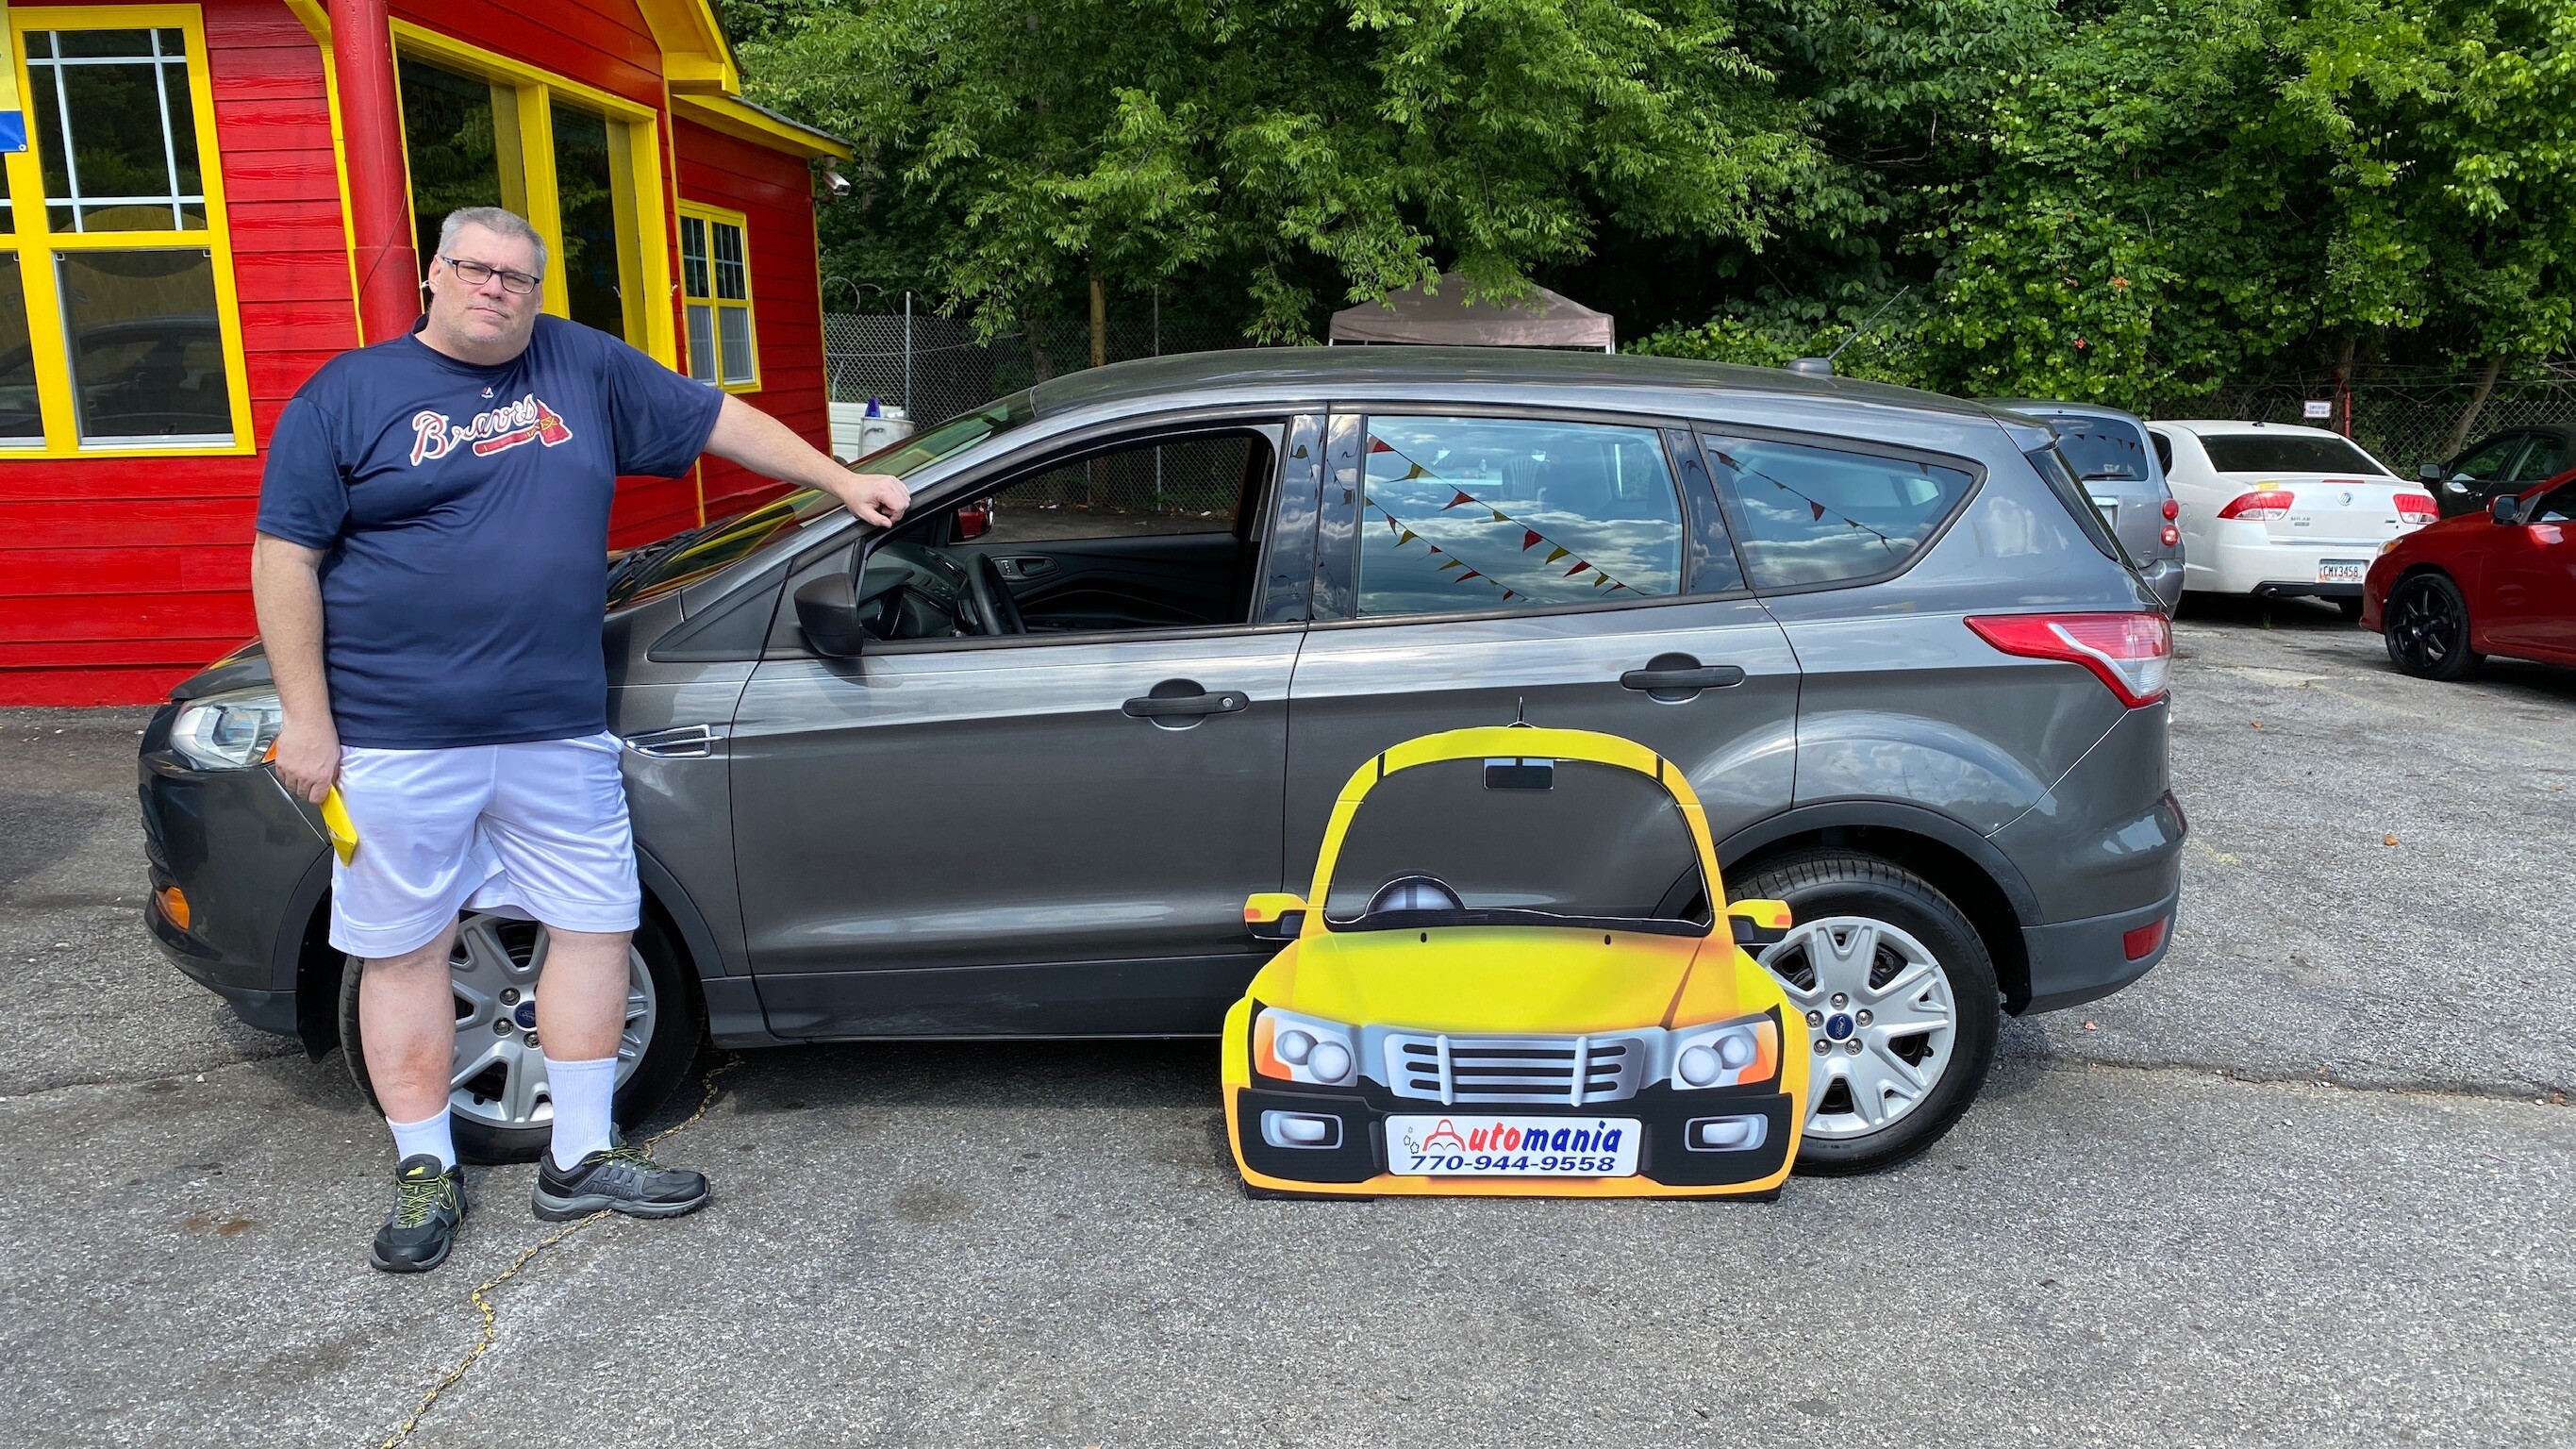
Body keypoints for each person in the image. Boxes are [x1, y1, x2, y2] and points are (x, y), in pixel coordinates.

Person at [251, 206, 906, 1274]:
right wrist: (308, 717)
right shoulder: (347, 395)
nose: (495, 289)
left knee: (596, 927)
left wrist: (841, 480)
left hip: (555, 727)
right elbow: (285, 558)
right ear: (433, 274)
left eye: (517, 277)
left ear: (536, 291)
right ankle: (425, 1165)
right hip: (397, 734)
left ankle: (581, 1154)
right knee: (403, 950)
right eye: (475, 269)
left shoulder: (581, 365)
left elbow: (715, 417)